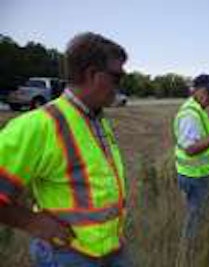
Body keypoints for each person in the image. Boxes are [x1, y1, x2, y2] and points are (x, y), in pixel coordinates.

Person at [0, 32, 134, 266]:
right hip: (68, 256)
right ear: (92, 74)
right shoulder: (39, 125)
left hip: (112, 251)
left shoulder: (97, 118)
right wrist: (32, 222)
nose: (120, 85)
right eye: (117, 77)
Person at [173, 74, 209, 261]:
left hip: (201, 174)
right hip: (196, 176)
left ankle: (194, 248)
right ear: (195, 90)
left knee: (198, 215)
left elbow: (203, 142)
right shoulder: (190, 114)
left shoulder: (198, 110)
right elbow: (191, 149)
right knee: (195, 218)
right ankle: (188, 255)